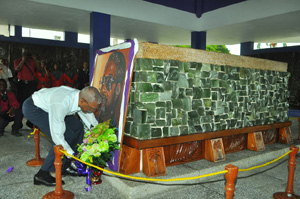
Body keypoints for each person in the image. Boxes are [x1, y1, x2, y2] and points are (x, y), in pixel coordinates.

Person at [22, 86, 101, 186]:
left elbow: (89, 118)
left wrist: (99, 133)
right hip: (35, 109)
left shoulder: (81, 97)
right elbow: (57, 136)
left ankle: (65, 167)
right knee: (65, 136)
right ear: (82, 101)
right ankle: (42, 174)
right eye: (92, 108)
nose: (92, 111)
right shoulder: (62, 103)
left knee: (77, 127)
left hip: (53, 106)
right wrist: (72, 155)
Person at [98, 51, 126, 125]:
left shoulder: (118, 125)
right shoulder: (95, 118)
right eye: (103, 81)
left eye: (109, 82)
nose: (103, 89)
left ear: (117, 90)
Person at [14, 47, 37, 128]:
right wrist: (23, 60)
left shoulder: (32, 61)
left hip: (31, 84)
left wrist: (34, 60)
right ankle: (17, 124)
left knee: (32, 103)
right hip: (22, 84)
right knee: (20, 104)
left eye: (27, 53)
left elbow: (36, 70)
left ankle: (30, 123)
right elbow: (17, 69)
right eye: (24, 52)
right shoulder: (17, 61)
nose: (26, 54)